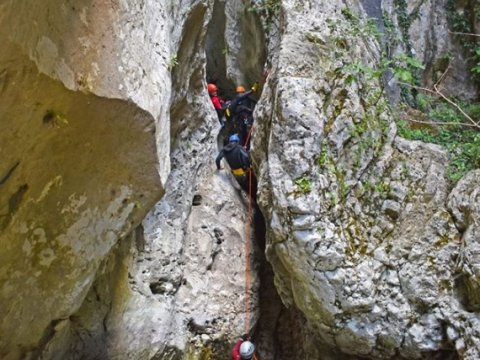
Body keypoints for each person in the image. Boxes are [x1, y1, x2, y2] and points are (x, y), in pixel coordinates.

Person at [216, 134, 257, 200]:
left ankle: (248, 194)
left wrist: (218, 167)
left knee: (243, 185)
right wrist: (247, 166)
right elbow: (246, 157)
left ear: (230, 141)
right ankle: (253, 197)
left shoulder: (224, 149)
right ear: (237, 141)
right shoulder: (239, 148)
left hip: (235, 172)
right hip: (243, 171)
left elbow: (217, 159)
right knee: (248, 184)